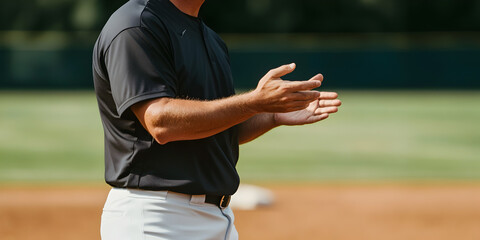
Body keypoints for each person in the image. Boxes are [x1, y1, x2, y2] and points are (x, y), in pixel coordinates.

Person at [92, 0, 341, 239]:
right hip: (157, 216)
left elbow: (220, 131)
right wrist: (254, 102)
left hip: (216, 217)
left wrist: (271, 113)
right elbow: (161, 122)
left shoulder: (210, 39)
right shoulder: (137, 24)